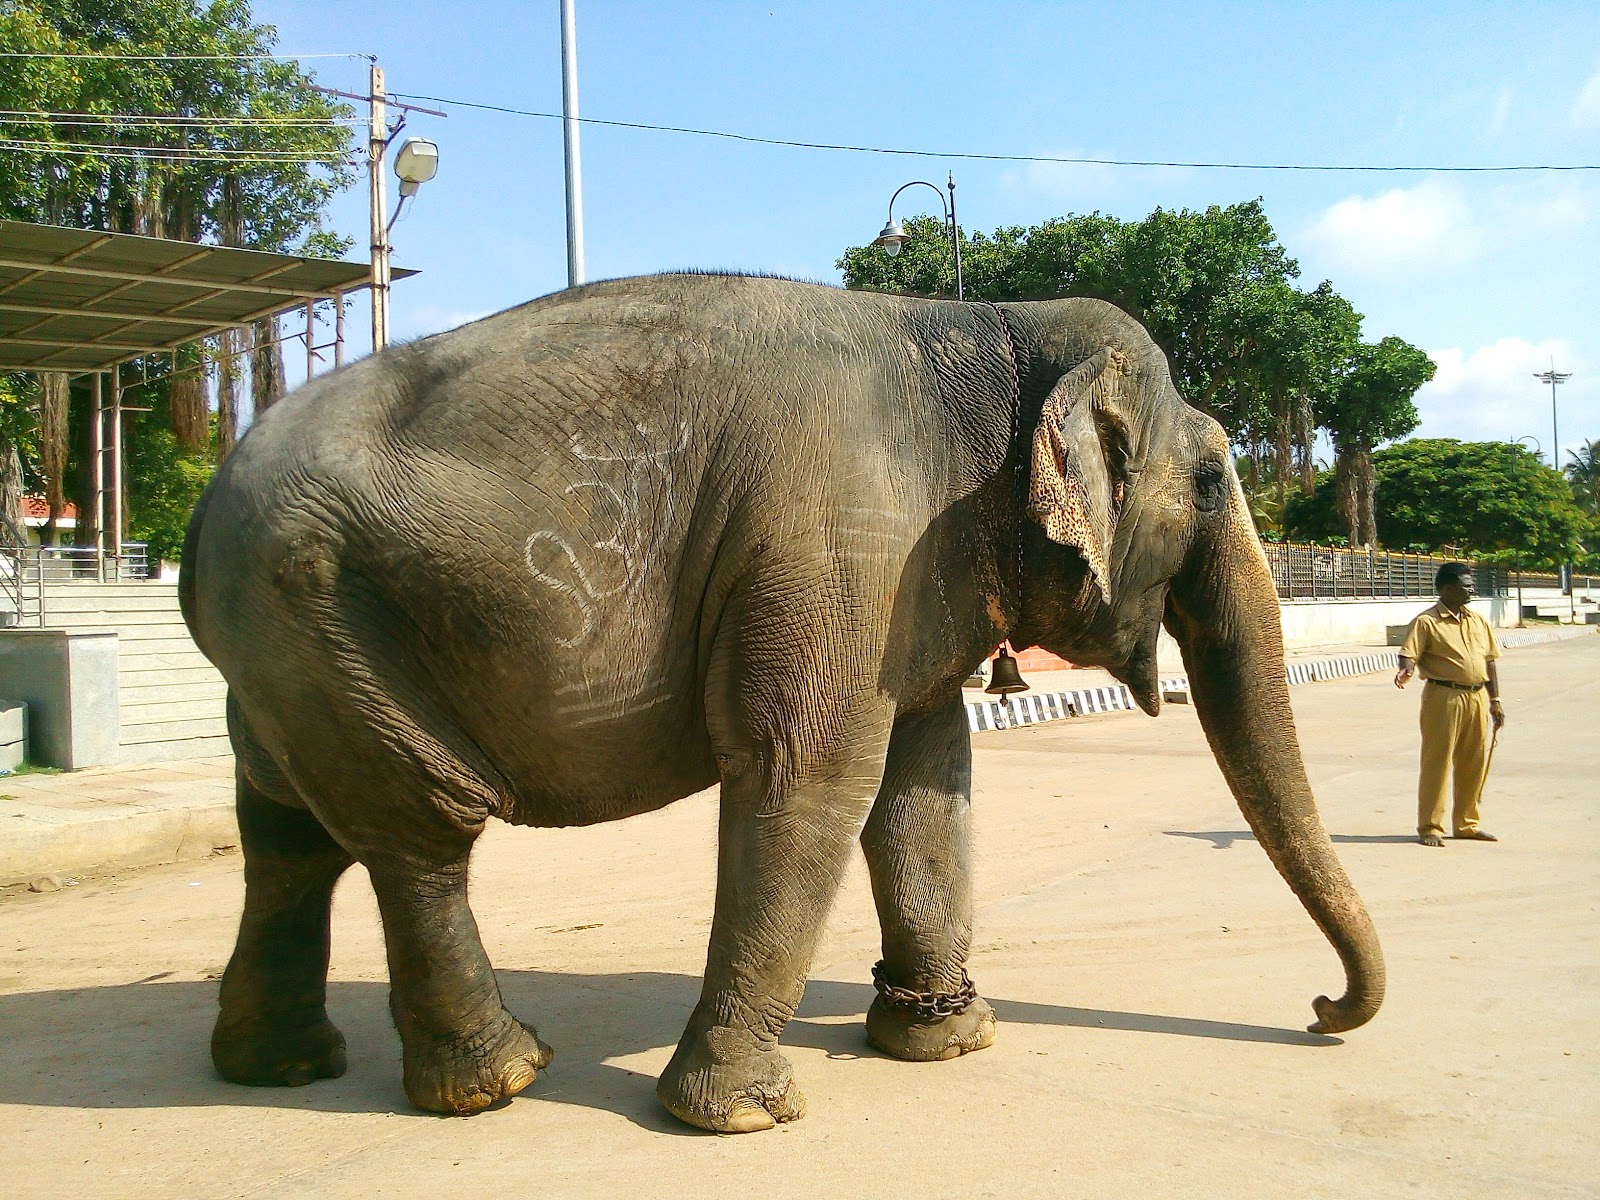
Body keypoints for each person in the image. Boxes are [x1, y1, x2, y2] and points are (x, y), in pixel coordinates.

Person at [1394, 563, 1506, 847]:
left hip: (1477, 696)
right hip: (1443, 697)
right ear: (1446, 589)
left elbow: (1489, 661)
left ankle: (1467, 824)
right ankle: (1430, 826)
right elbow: (1408, 653)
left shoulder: (1477, 620)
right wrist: (1406, 670)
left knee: (1474, 761)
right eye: (1465, 584)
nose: (1471, 589)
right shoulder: (1427, 622)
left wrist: (1495, 699)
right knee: (1438, 762)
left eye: (1471, 584)